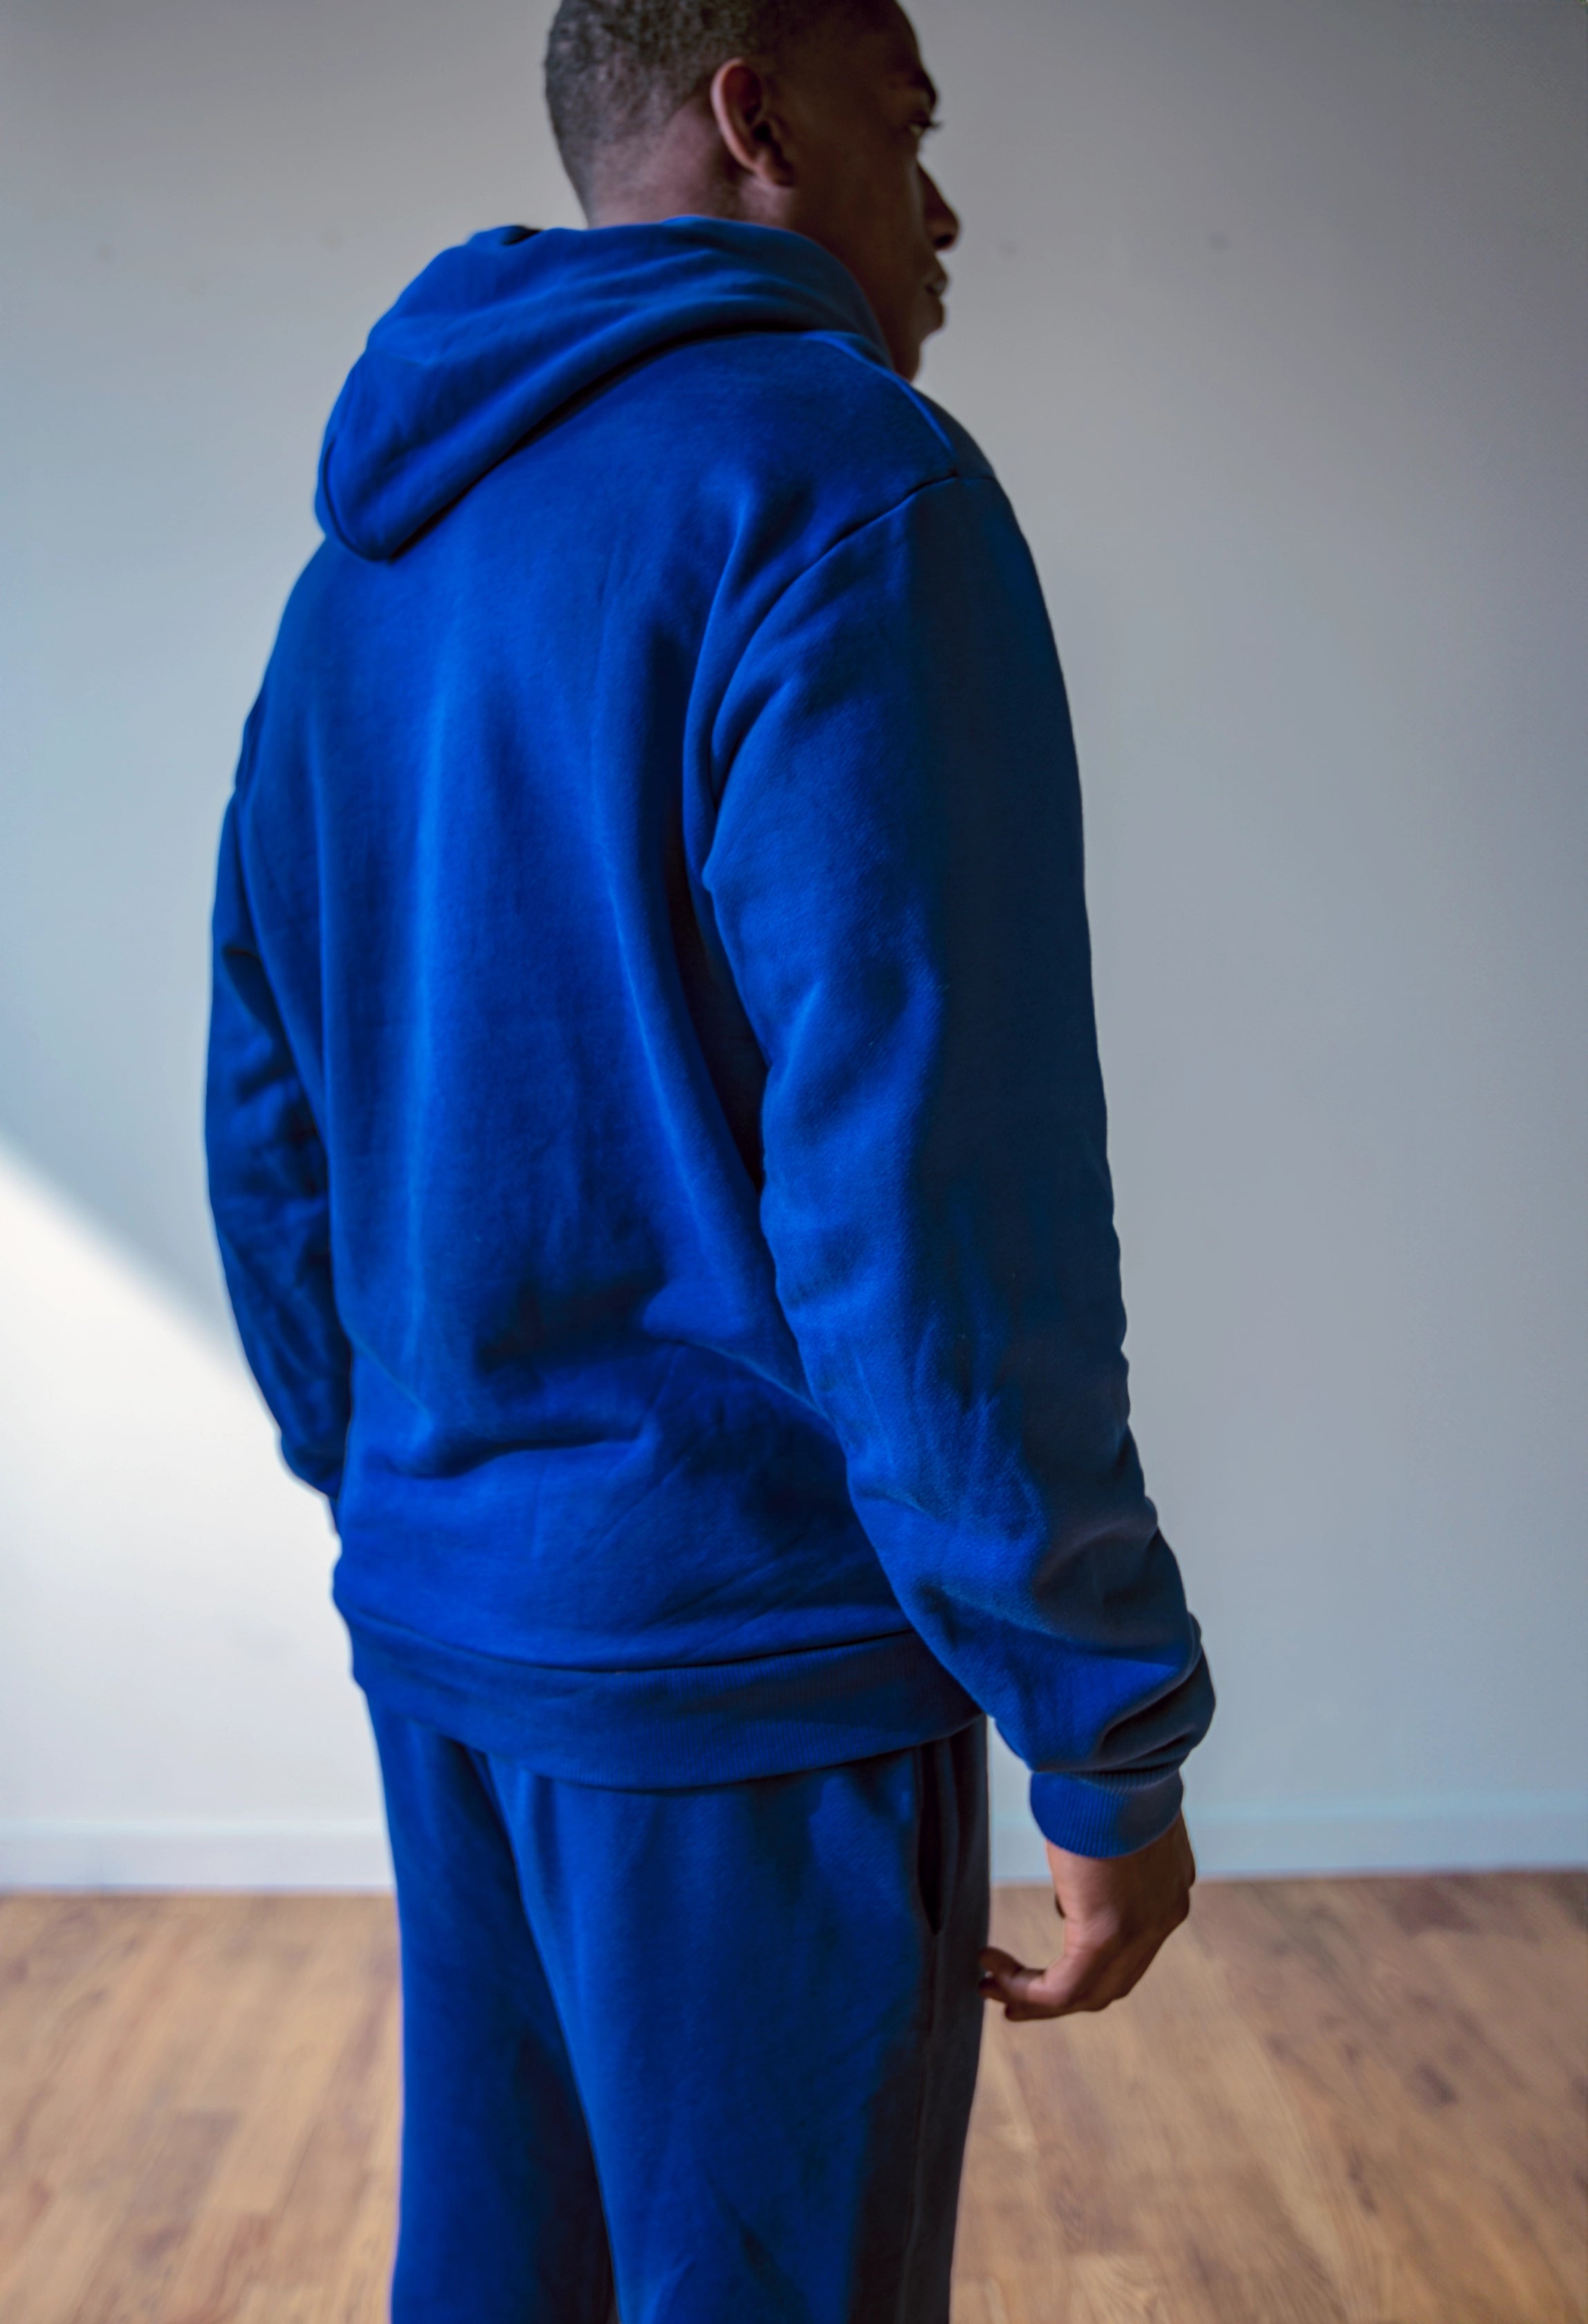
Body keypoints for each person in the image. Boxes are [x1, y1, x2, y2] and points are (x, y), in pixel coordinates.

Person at [205, 1, 1215, 2316]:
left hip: (458, 1621)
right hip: (748, 1659)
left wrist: (405, 1486)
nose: (943, 210)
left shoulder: (360, 570)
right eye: (908, 125)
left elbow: (268, 1109)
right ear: (760, 116)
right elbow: (935, 1199)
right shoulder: (850, 488)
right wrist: (1106, 1733)